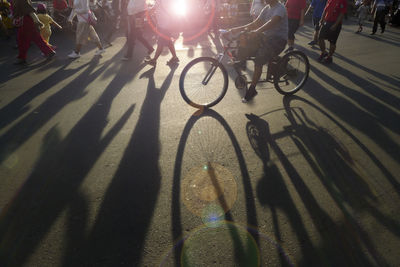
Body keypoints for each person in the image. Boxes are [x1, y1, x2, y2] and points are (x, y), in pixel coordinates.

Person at [227, 0, 288, 102]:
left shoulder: (280, 8)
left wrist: (257, 31)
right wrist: (237, 29)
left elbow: (271, 22)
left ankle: (252, 90)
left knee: (258, 60)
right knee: (244, 38)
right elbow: (255, 23)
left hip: (278, 40)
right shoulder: (267, 8)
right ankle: (241, 62)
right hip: (265, 38)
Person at [12, 0, 55, 64]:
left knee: (22, 40)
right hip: (26, 22)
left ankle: (22, 58)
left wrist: (37, 22)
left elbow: (30, 11)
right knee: (35, 38)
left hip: (26, 22)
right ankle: (49, 52)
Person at [144, 0, 179, 66]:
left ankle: (154, 60)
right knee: (169, 42)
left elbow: (153, 9)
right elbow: (155, 9)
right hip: (164, 24)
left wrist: (147, 10)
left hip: (165, 26)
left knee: (160, 43)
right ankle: (175, 57)